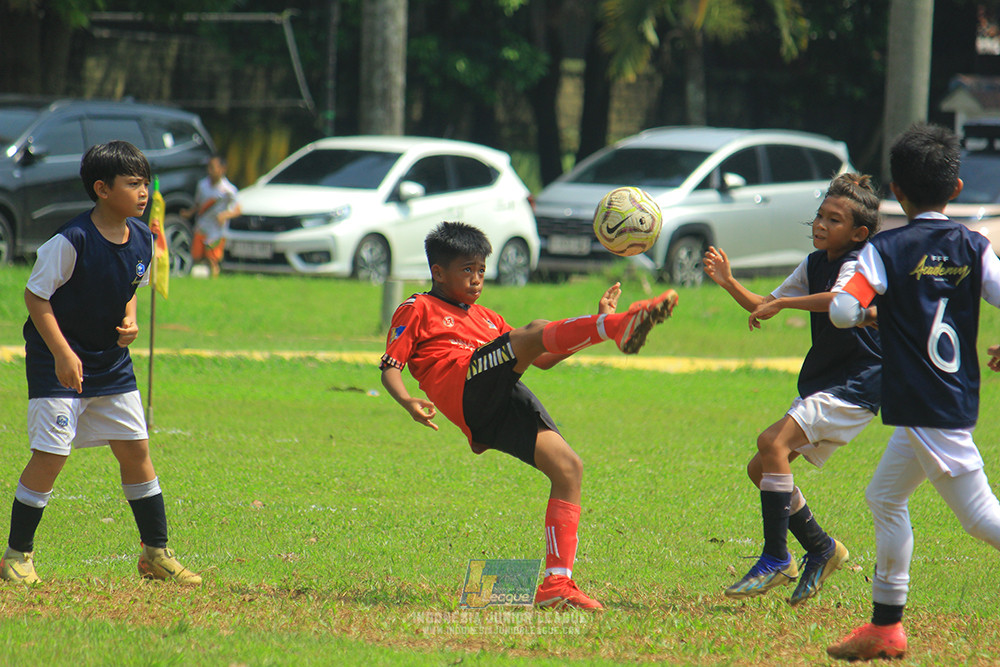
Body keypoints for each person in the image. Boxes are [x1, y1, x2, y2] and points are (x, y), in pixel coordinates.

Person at [379, 221, 678, 610]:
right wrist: (407, 400)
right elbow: (389, 366)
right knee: (534, 328)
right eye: (466, 270)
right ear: (438, 272)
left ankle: (557, 584)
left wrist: (593, 323)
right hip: (463, 383)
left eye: (482, 270)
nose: (476, 279)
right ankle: (617, 328)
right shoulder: (418, 307)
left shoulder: (487, 318)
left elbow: (546, 358)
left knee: (568, 468)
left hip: (495, 402)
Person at [827, 123, 1000, 661]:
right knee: (884, 496)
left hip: (926, 404)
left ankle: (886, 627)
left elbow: (841, 310)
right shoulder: (975, 246)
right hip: (943, 400)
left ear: (896, 192)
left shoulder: (886, 248)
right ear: (954, 190)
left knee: (979, 519)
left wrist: (860, 306)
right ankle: (885, 626)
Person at [0, 141, 201, 586]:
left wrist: (129, 321)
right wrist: (62, 354)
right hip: (59, 363)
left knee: (137, 452)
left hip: (111, 365)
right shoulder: (70, 240)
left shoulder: (144, 239)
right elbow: (36, 296)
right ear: (102, 189)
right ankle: (17, 556)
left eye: (145, 183)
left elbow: (129, 287)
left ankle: (155, 554)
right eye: (133, 184)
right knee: (50, 456)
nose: (143, 192)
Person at [703, 172, 882, 606]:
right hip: (829, 381)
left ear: (858, 233)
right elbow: (765, 306)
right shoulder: (814, 263)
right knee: (762, 467)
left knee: (772, 442)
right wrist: (729, 282)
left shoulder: (861, 262)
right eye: (820, 215)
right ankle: (821, 548)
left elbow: (839, 304)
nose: (821, 224)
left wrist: (785, 303)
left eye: (834, 220)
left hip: (860, 381)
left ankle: (776, 557)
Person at [183, 154, 240, 278]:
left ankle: (214, 279)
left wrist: (225, 215)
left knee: (212, 259)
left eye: (213, 167)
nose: (210, 170)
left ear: (222, 169)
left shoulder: (228, 190)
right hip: (202, 225)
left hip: (216, 230)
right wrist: (189, 213)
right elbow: (198, 204)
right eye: (209, 167)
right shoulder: (202, 185)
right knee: (197, 256)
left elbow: (238, 209)